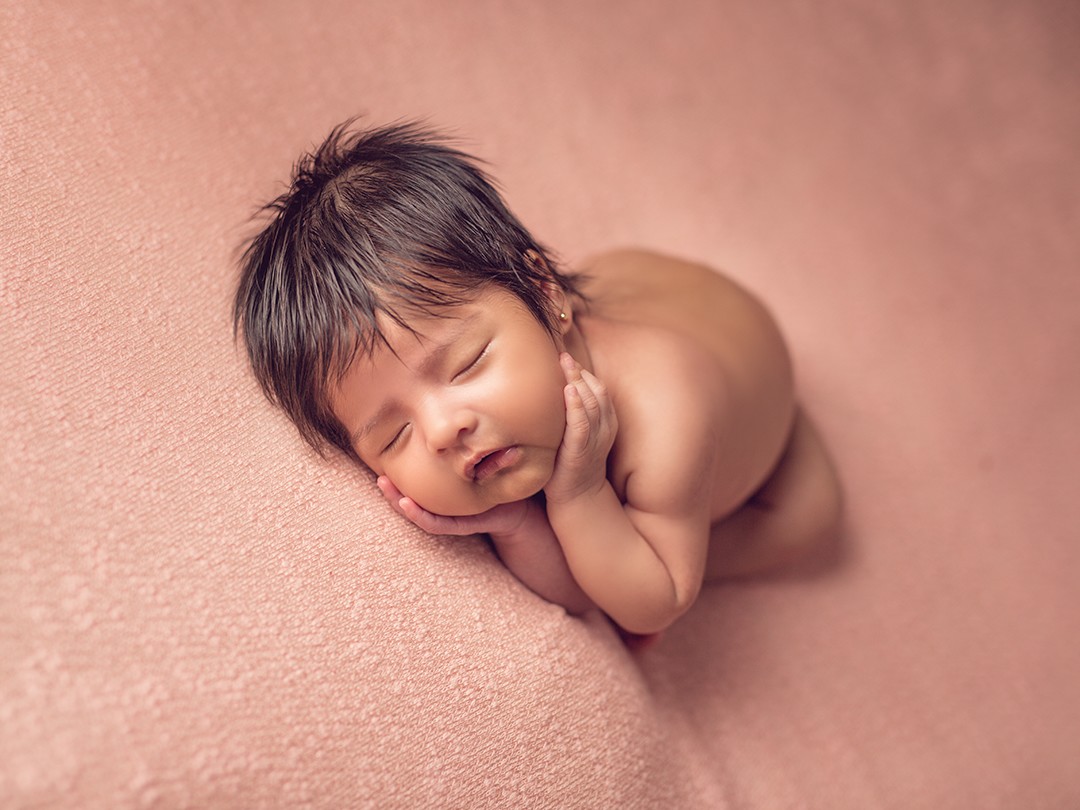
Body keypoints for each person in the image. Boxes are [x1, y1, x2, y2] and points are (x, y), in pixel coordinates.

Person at [233, 120, 842, 638]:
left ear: (546, 294)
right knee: (601, 549)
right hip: (619, 294)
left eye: (467, 364)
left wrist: (577, 497)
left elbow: (654, 601)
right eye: (393, 436)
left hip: (744, 374)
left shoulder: (667, 413)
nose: (445, 430)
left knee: (808, 517)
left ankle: (775, 434)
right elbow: (576, 592)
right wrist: (519, 524)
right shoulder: (515, 416)